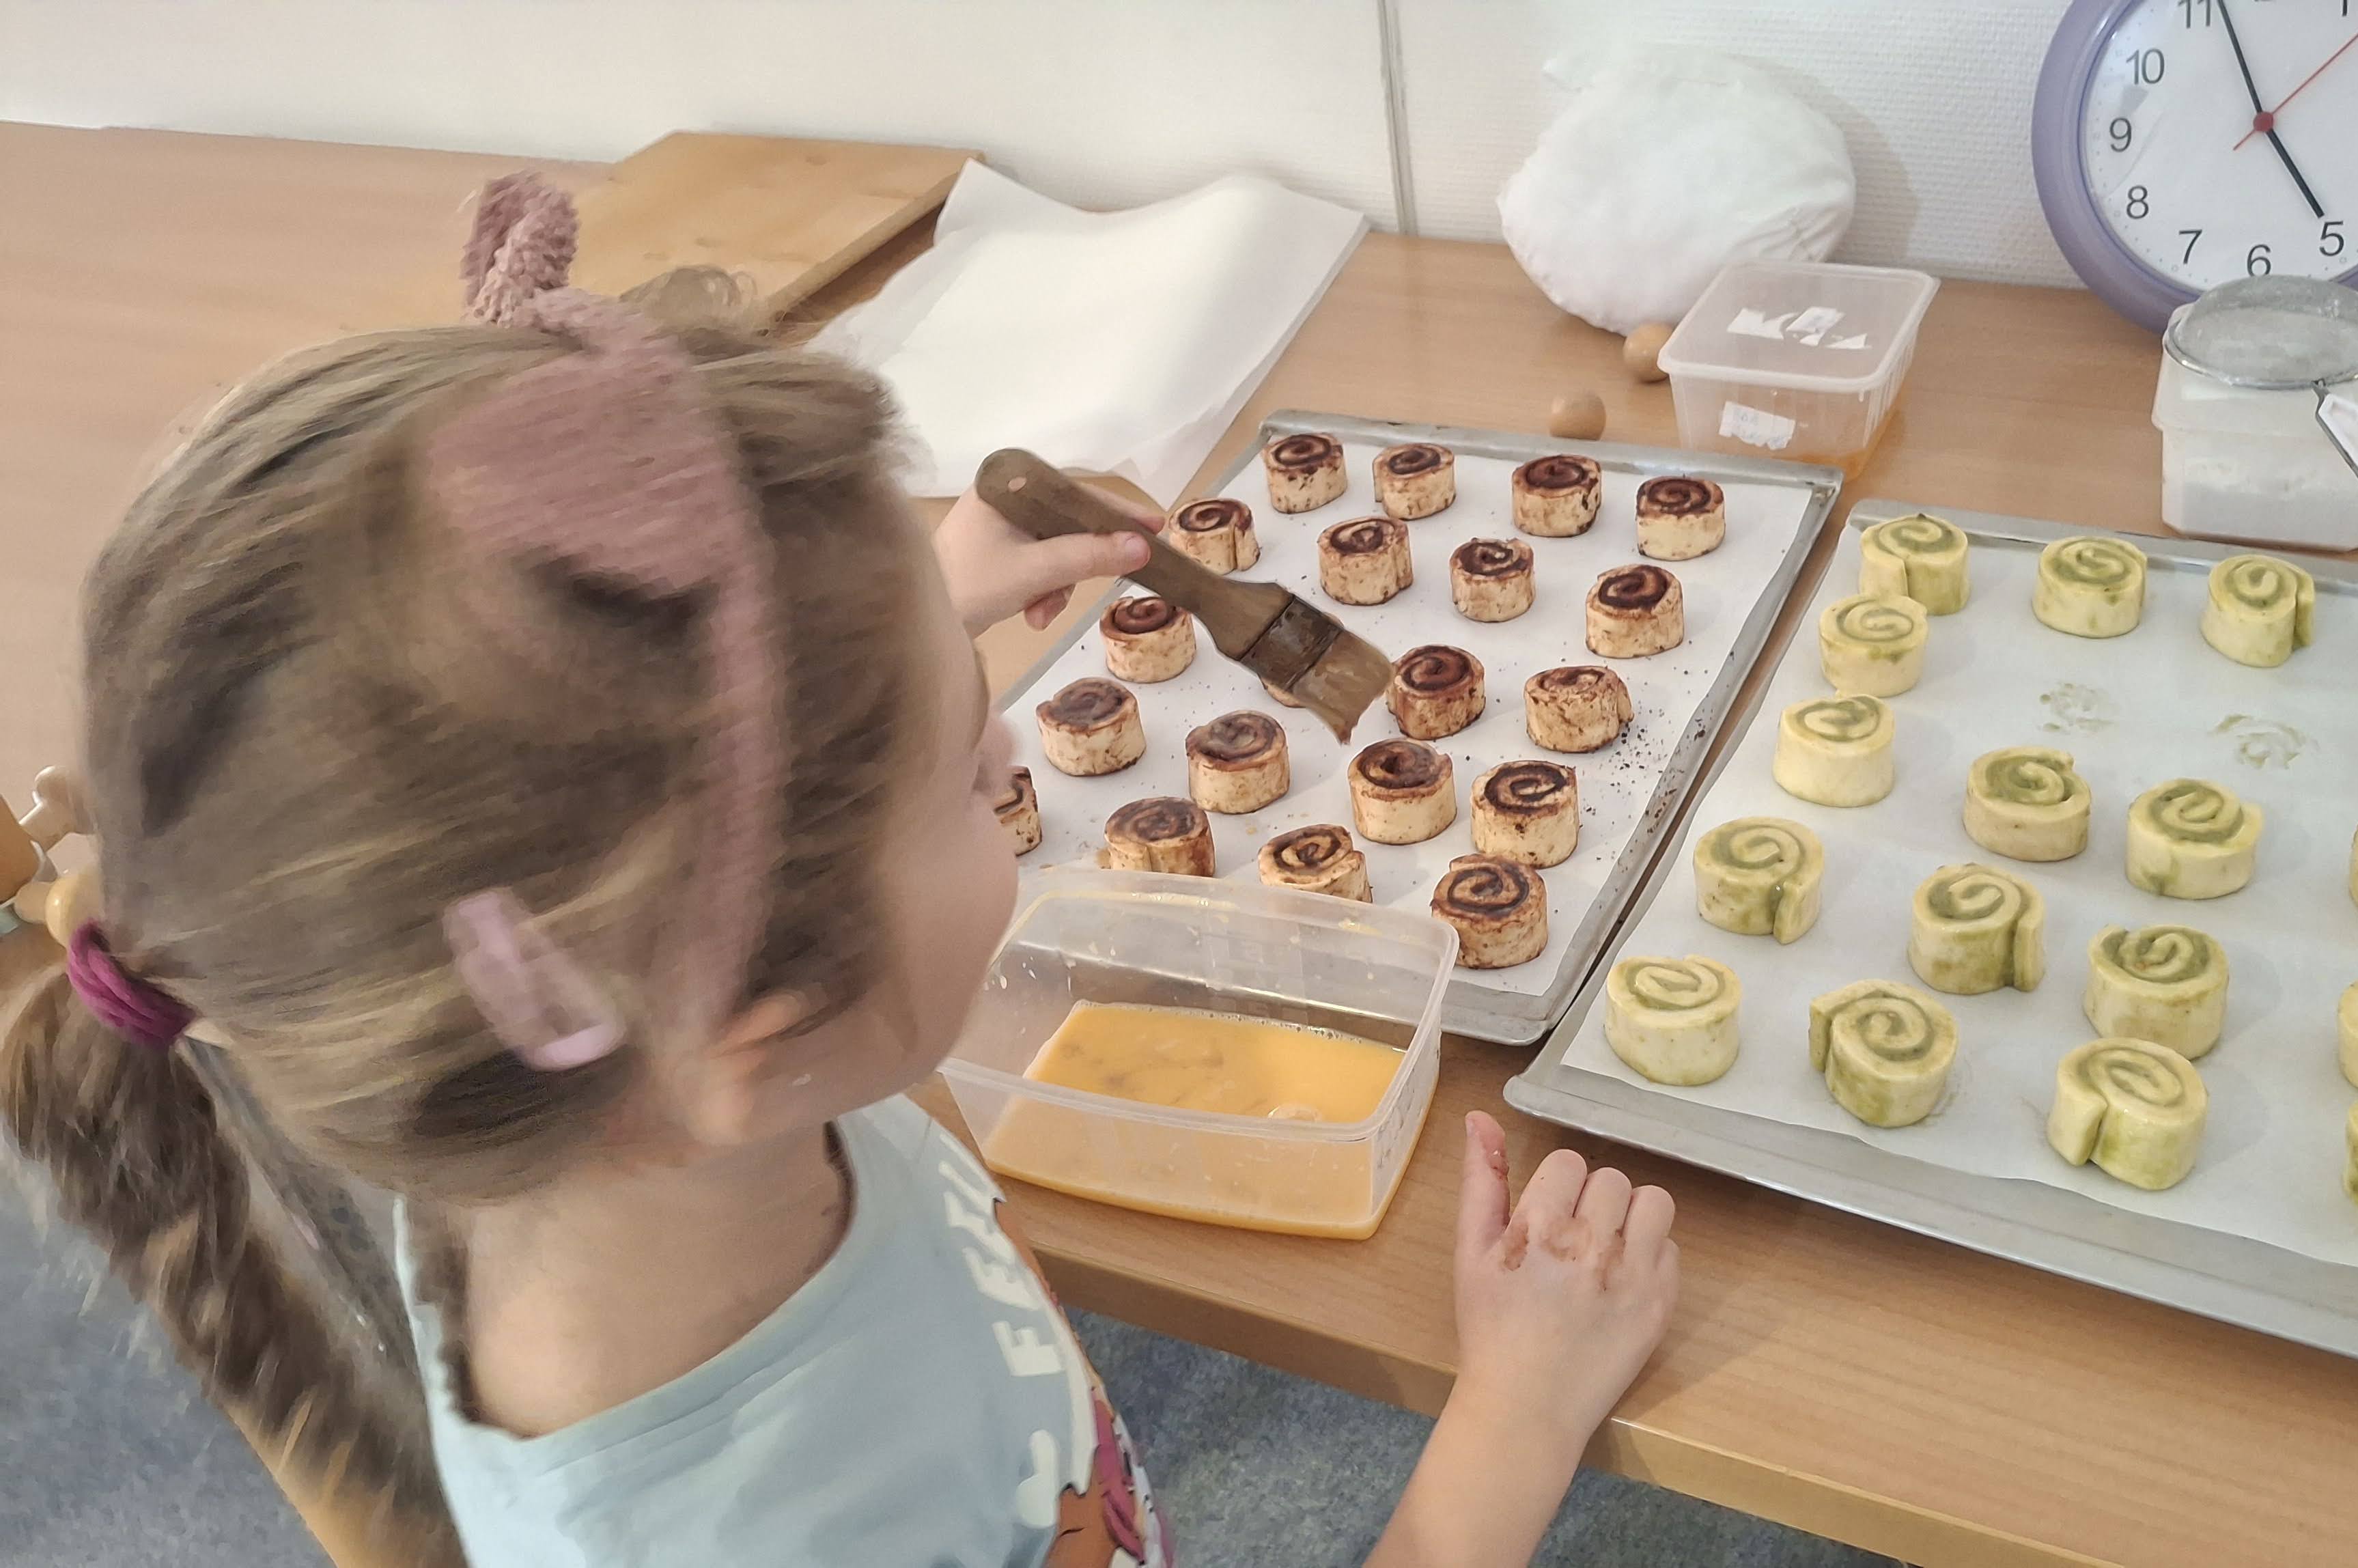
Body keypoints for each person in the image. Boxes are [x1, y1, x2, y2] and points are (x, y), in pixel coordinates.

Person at [0, 176, 1678, 1568]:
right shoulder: (782, 1521)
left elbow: (666, 804)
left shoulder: (596, 1075)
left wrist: (892, 626)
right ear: (758, 1009)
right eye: (962, 771)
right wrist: (1514, 1415)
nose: (1012, 757)